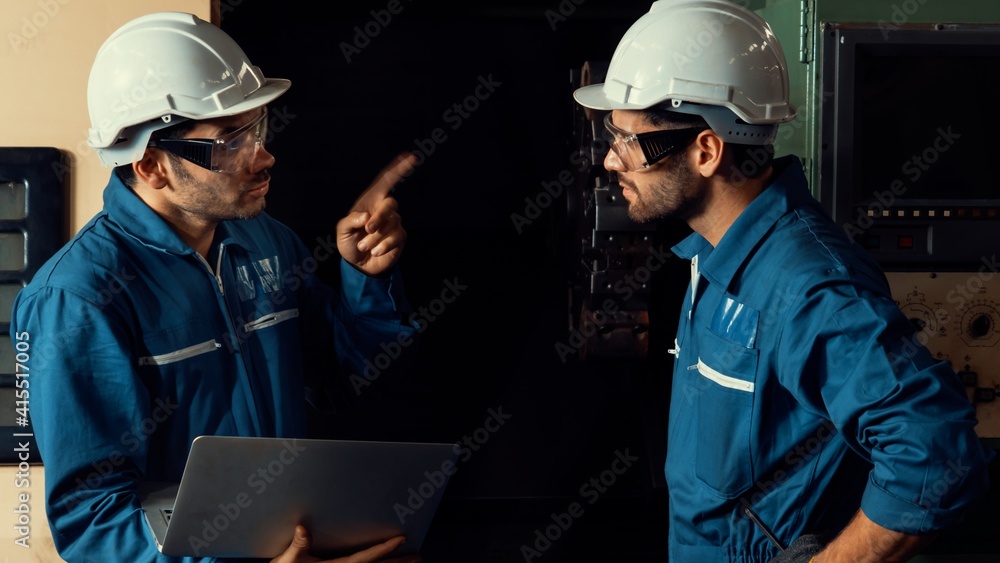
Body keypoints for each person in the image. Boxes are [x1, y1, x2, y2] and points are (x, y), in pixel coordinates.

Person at [573, 1, 994, 561]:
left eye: (628, 141)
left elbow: (936, 451)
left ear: (706, 150)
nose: (610, 161)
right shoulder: (714, 253)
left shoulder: (808, 284)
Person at [11, 11, 421, 563]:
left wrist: (366, 283)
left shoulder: (268, 241)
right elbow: (94, 523)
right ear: (153, 164)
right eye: (230, 142)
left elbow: (339, 380)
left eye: (258, 129)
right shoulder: (77, 300)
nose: (265, 157)